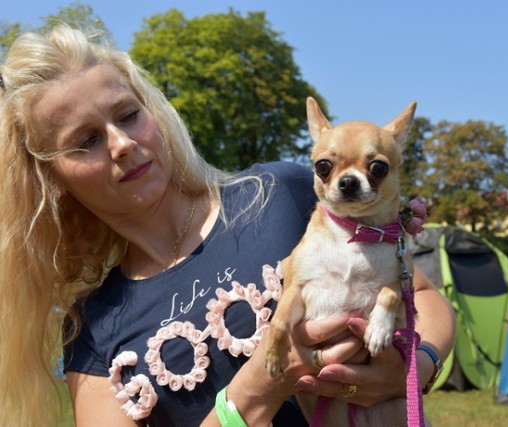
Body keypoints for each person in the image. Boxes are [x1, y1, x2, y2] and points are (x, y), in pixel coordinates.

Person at [0, 25, 455, 427]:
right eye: (85, 141)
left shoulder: (280, 194)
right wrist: (259, 387)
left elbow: (425, 296)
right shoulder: (95, 330)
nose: (121, 144)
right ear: (49, 180)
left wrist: (418, 365)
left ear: (153, 112)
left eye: (127, 115)